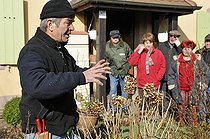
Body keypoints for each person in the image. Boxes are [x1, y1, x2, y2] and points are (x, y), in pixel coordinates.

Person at [17, 0, 111, 138]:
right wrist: (83, 76)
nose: (72, 28)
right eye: (68, 22)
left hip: (65, 127)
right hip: (45, 132)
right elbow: (37, 85)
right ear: (50, 25)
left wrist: (92, 72)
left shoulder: (59, 49)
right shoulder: (32, 51)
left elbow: (72, 71)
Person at [168, 40, 209, 127]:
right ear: (182, 49)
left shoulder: (198, 60)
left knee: (193, 108)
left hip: (193, 89)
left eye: (189, 49)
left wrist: (203, 84)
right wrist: (172, 85)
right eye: (185, 49)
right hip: (180, 88)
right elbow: (171, 74)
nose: (187, 51)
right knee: (181, 108)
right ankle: (181, 126)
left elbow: (206, 72)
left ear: (192, 50)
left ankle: (193, 127)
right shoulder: (176, 61)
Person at [128, 33, 166, 100]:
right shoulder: (140, 53)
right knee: (143, 104)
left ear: (153, 43)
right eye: (146, 42)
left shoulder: (158, 53)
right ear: (143, 43)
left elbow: (162, 66)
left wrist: (158, 77)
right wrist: (139, 51)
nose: (148, 45)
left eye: (150, 42)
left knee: (153, 105)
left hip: (154, 83)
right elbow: (132, 62)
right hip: (142, 83)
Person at [105, 30, 133, 111]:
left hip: (124, 72)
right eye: (114, 37)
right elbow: (104, 57)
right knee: (113, 90)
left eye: (117, 37)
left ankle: (125, 108)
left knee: (125, 90)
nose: (115, 39)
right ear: (111, 38)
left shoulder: (125, 45)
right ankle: (113, 108)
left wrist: (128, 66)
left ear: (119, 37)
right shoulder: (107, 46)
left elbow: (131, 56)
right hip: (113, 72)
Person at [158, 30, 183, 110]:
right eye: (171, 36)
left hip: (173, 77)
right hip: (164, 76)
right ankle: (164, 112)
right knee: (163, 95)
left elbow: (185, 54)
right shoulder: (162, 45)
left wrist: (179, 45)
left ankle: (173, 112)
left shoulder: (178, 48)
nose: (173, 38)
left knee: (173, 95)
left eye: (175, 37)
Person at [196, 33, 210, 123]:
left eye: (209, 41)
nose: (208, 43)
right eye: (207, 41)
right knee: (202, 102)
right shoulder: (199, 52)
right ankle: (202, 122)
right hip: (203, 81)